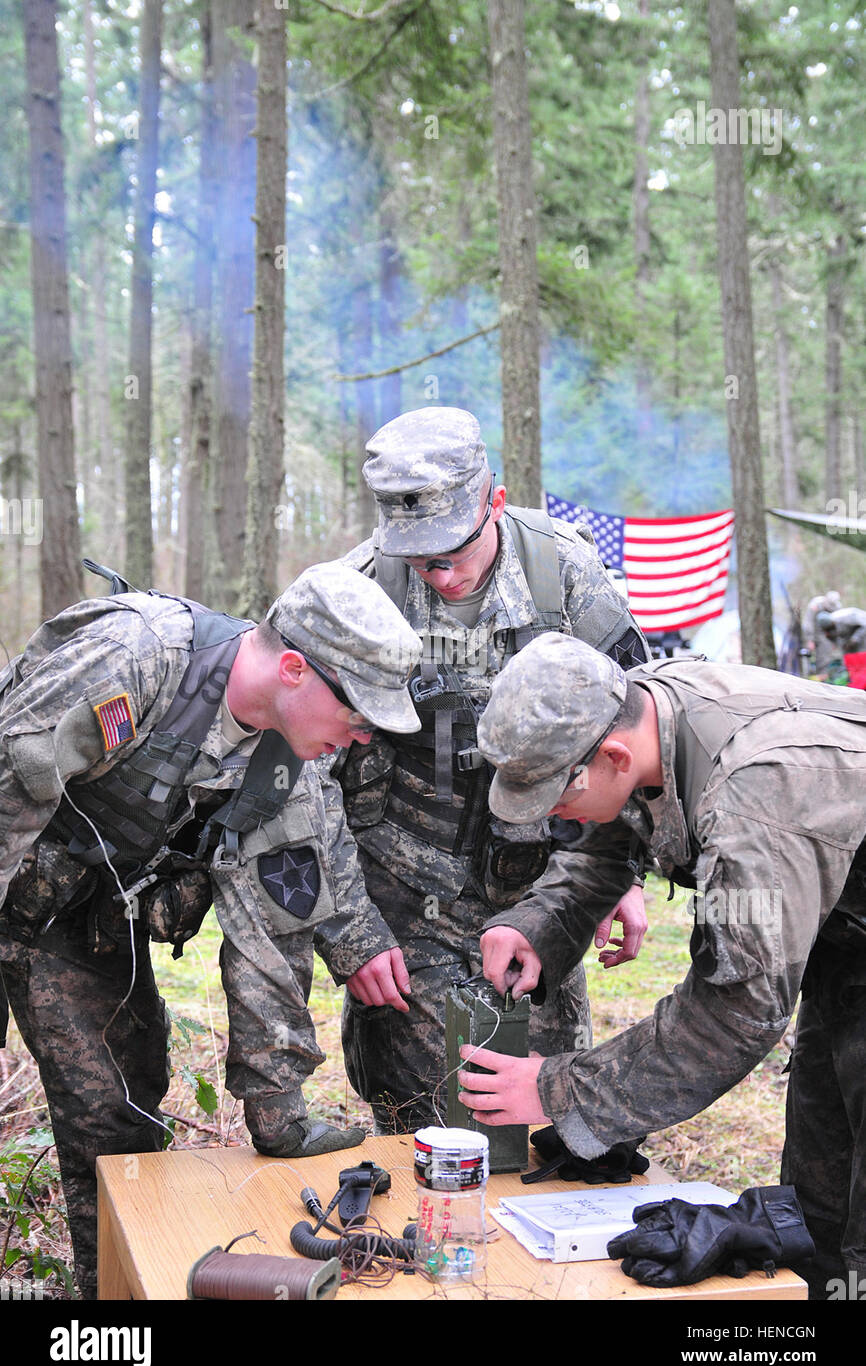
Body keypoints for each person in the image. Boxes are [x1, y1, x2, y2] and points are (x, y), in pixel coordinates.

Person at [0, 561, 422, 1297]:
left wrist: (277, 1109)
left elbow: (272, 933)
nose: (358, 740)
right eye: (355, 715)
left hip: (79, 917)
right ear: (294, 669)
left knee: (116, 1113)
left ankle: (109, 1303)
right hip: (15, 872)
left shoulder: (291, 760)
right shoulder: (136, 657)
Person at [458, 630, 866, 1298]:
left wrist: (562, 1090)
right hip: (843, 942)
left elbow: (734, 1014)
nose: (554, 821)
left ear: (612, 756)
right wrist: (542, 923)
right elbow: (611, 834)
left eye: (555, 804)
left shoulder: (754, 796)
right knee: (815, 1204)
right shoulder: (641, 711)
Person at [322, 406, 650, 1133]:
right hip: (405, 886)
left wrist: (617, 875)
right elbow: (306, 784)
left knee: (545, 1111)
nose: (436, 576)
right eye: (418, 559)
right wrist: (354, 931)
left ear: (494, 502)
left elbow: (631, 723)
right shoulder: (356, 594)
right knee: (428, 1124)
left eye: (452, 554)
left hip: (538, 882)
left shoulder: (564, 574)